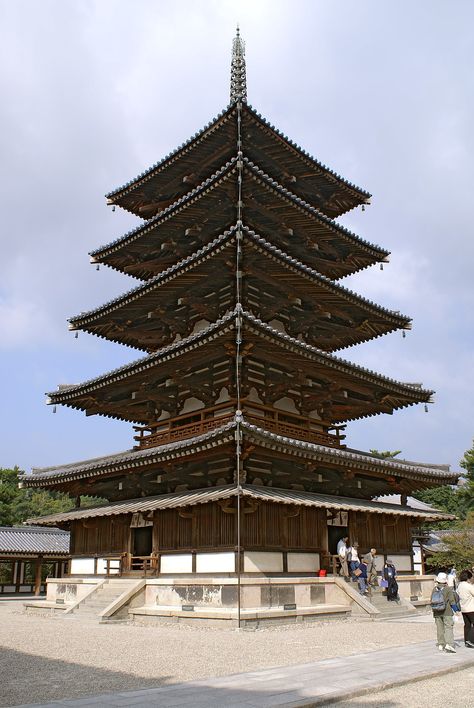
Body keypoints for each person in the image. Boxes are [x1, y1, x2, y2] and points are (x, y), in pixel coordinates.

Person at [431, 571, 457, 653]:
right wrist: (456, 610)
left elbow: (431, 600)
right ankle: (449, 644)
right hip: (447, 611)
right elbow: (452, 601)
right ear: (445, 580)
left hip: (436, 612)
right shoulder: (447, 589)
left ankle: (441, 644)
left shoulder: (434, 589)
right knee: (448, 627)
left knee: (439, 628)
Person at [458, 569, 474, 648]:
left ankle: (466, 641)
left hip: (464, 608)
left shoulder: (460, 585)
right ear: (468, 577)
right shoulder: (468, 586)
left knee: (467, 625)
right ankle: (471, 640)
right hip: (471, 608)